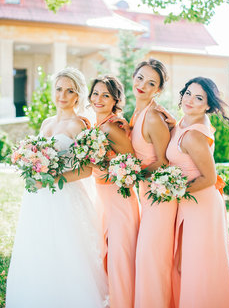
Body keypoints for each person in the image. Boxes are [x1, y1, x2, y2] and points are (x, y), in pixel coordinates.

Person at [6, 67, 109, 308]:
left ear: (78, 95)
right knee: (38, 248)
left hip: (66, 198)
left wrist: (51, 178)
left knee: (66, 253)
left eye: (69, 90)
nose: (62, 95)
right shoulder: (46, 122)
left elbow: (86, 170)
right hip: (38, 198)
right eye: (59, 89)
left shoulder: (80, 125)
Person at [166, 77, 229, 308]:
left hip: (200, 203)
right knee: (187, 263)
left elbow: (208, 178)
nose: (189, 100)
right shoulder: (184, 124)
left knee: (197, 265)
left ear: (208, 105)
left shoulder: (194, 135)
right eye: (187, 93)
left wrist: (172, 190)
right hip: (190, 201)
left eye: (198, 98)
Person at [88, 75, 140, 308]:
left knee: (120, 257)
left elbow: (132, 164)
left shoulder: (111, 126)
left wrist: (102, 167)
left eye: (105, 95)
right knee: (105, 253)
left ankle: (124, 303)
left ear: (115, 100)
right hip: (102, 196)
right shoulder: (96, 124)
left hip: (119, 197)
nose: (98, 99)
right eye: (96, 93)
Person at [130, 58, 177, 308]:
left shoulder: (153, 118)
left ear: (158, 90)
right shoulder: (137, 113)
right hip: (146, 195)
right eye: (140, 78)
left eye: (151, 83)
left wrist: (131, 173)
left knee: (151, 258)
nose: (142, 86)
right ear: (133, 77)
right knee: (146, 258)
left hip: (161, 198)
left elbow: (164, 161)